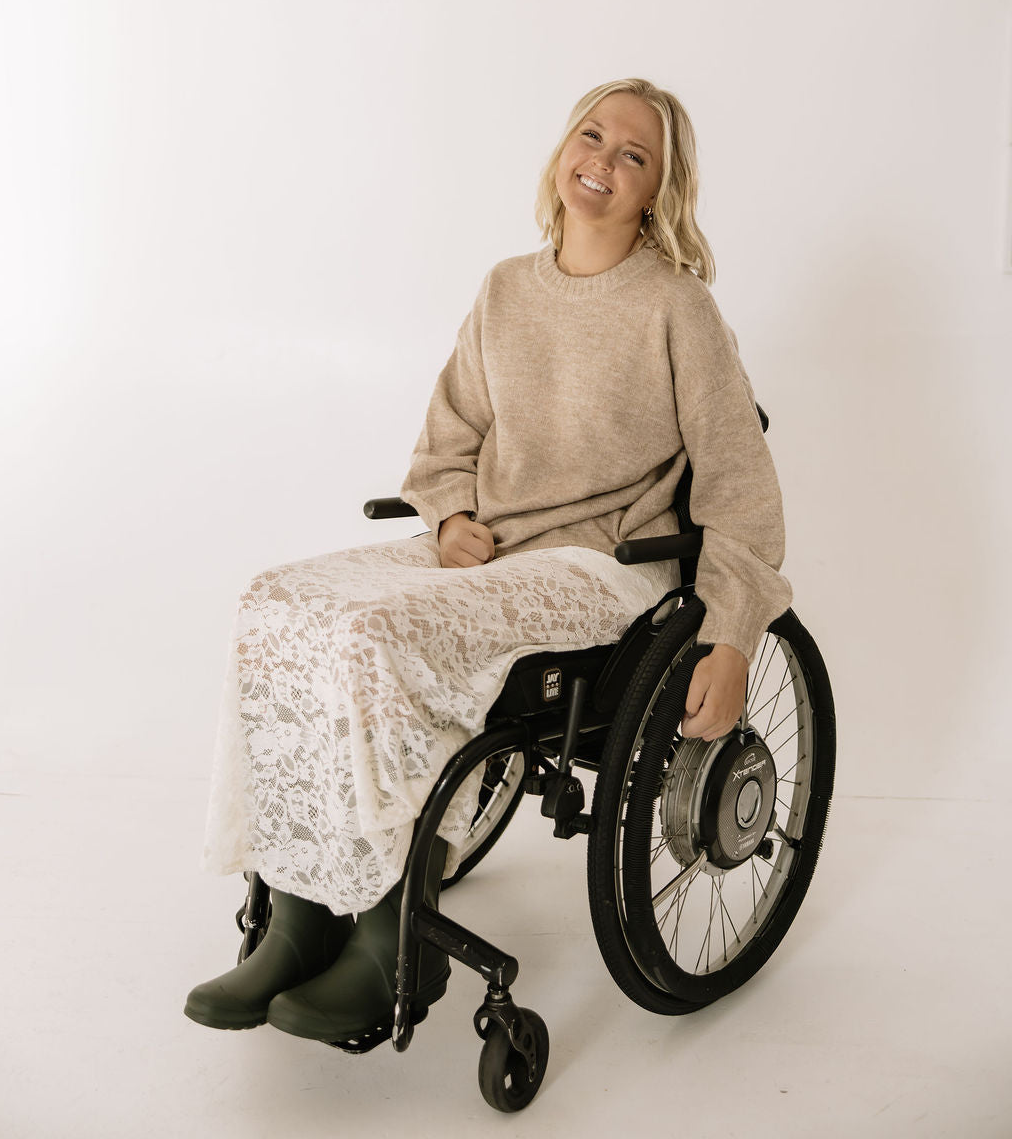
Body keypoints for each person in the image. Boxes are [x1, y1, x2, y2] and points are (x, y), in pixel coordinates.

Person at [184, 76, 793, 1047]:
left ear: (657, 192)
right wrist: (451, 513)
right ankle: (299, 916)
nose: (602, 160)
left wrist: (730, 635)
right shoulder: (507, 288)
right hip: (490, 553)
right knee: (278, 602)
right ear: (562, 151)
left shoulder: (676, 308)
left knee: (377, 630)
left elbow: (739, 487)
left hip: (600, 569)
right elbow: (450, 436)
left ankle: (393, 940)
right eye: (591, 136)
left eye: (633, 154)